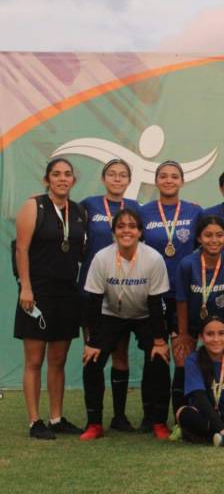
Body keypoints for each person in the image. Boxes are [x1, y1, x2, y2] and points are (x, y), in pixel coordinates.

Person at [80, 209, 171, 440]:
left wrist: (159, 341)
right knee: (92, 361)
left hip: (145, 315)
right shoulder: (102, 257)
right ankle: (94, 423)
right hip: (110, 314)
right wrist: (92, 342)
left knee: (159, 358)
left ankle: (157, 421)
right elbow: (93, 302)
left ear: (140, 232)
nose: (126, 230)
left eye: (132, 226)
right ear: (113, 232)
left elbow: (155, 302)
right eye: (121, 226)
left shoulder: (153, 258)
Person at [14, 158, 86, 439]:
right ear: (47, 180)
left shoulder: (79, 211)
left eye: (67, 174)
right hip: (37, 293)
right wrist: (26, 288)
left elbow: (80, 252)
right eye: (56, 174)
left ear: (73, 181)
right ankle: (35, 421)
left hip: (67, 293)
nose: (62, 179)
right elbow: (21, 250)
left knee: (58, 359)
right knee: (34, 359)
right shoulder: (34, 206)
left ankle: (56, 418)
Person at [139, 161, 202, 431]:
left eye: (174, 176)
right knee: (153, 356)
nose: (168, 180)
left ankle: (180, 417)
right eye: (163, 176)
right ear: (156, 181)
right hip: (152, 293)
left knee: (181, 356)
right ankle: (151, 417)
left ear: (182, 181)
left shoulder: (195, 211)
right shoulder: (142, 212)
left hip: (182, 295)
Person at [78, 159, 140, 431]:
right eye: (112, 175)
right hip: (92, 290)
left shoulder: (136, 208)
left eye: (122, 175)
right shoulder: (88, 205)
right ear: (104, 178)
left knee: (120, 353)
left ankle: (119, 416)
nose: (117, 179)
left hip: (122, 292)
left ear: (129, 180)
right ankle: (94, 420)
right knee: (93, 354)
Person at [173, 215, 224, 437]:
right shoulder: (187, 264)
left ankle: (214, 415)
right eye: (208, 235)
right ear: (199, 238)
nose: (214, 240)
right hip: (189, 322)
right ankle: (179, 418)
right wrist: (183, 334)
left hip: (217, 326)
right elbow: (181, 299)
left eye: (219, 235)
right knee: (183, 362)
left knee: (219, 366)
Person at [177, 316, 224, 447]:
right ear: (201, 337)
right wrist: (221, 427)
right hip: (207, 417)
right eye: (210, 334)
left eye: (221, 333)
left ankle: (218, 438)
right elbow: (199, 398)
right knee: (183, 413)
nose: (216, 339)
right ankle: (222, 435)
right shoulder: (193, 360)